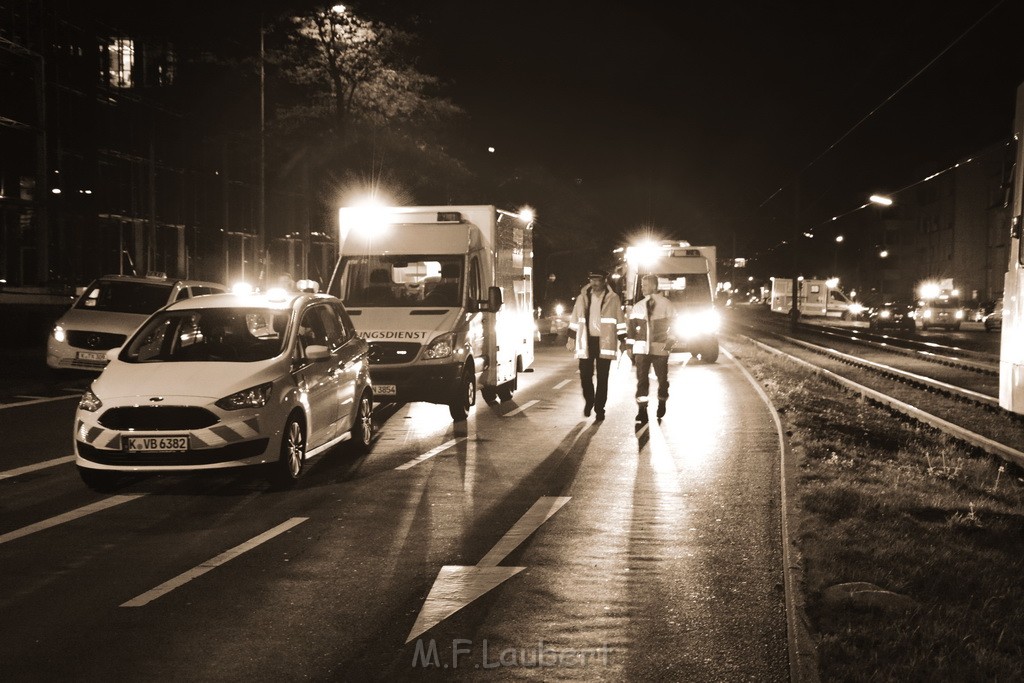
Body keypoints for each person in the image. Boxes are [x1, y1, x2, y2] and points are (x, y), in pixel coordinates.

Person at [566, 269, 626, 420]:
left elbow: (619, 320)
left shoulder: (613, 298)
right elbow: (575, 318)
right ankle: (589, 400)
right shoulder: (582, 297)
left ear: (604, 281)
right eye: (591, 279)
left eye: (597, 279)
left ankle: (600, 408)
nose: (593, 282)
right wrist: (571, 338)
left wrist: (623, 339)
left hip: (605, 342)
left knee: (602, 377)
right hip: (586, 341)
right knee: (585, 375)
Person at [626, 274, 673, 424]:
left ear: (654, 286)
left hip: (660, 349)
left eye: (645, 285)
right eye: (642, 285)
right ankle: (642, 411)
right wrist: (629, 347)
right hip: (641, 349)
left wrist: (670, 342)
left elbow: (675, 325)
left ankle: (662, 400)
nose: (642, 287)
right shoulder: (638, 306)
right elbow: (632, 329)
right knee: (642, 381)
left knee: (662, 380)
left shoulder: (666, 304)